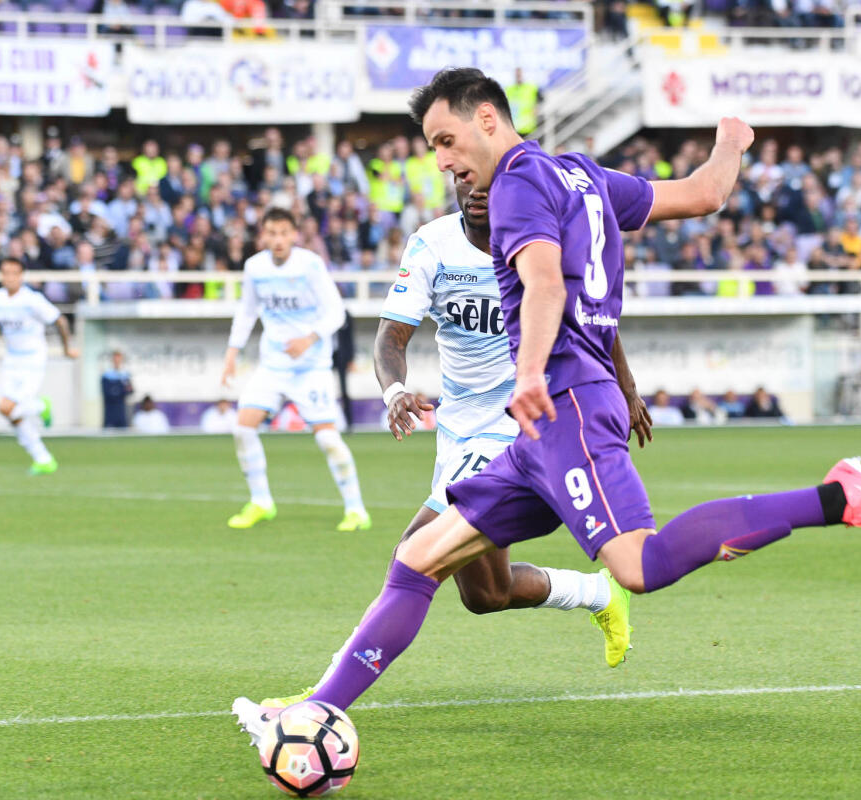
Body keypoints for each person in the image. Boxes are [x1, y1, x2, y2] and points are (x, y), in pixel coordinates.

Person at [232, 67, 861, 733]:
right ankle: (317, 712)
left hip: (561, 403)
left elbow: (545, 284)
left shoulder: (514, 184)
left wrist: (531, 371)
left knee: (640, 565)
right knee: (417, 560)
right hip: (542, 426)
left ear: (487, 118)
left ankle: (839, 497)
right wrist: (730, 145)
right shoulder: (582, 175)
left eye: (446, 141)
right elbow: (702, 195)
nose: (443, 161)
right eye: (433, 149)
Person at [271, 176, 653, 712]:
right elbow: (390, 336)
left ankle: (322, 698)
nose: (472, 188)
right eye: (461, 178)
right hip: (458, 430)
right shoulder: (433, 244)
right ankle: (596, 593)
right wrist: (396, 391)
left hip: (520, 421)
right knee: (485, 595)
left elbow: (597, 320)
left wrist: (627, 388)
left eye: (486, 180)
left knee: (412, 555)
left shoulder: (541, 239)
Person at [220, 207, 370, 532]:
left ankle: (356, 509)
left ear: (294, 235)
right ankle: (261, 502)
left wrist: (309, 338)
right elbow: (246, 313)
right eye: (271, 233)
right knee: (242, 428)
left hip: (311, 367)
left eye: (283, 233)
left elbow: (336, 313)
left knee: (328, 439)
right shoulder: (254, 267)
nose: (277, 240)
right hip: (272, 365)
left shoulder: (310, 265)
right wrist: (232, 352)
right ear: (263, 235)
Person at [0, 258, 78, 474]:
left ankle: (41, 406)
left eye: (13, 273)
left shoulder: (32, 299)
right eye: (5, 273)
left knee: (8, 407)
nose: (9, 278)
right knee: (10, 413)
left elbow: (61, 321)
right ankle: (43, 458)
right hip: (11, 360)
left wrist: (67, 349)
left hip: (33, 359)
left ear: (21, 276)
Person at [101, 349, 133, 429]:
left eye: (119, 358)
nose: (117, 360)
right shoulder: (107, 375)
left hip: (121, 410)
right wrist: (121, 391)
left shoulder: (125, 375)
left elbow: (130, 390)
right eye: (115, 358)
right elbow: (107, 393)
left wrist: (116, 391)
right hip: (110, 410)